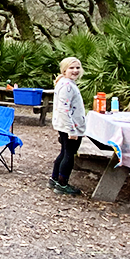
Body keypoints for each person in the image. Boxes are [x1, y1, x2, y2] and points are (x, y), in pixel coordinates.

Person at [50, 57, 86, 196]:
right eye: (71, 68)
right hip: (70, 126)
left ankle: (55, 178)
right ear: (64, 70)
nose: (75, 70)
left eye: (77, 67)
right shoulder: (66, 86)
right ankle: (62, 184)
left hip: (68, 124)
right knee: (69, 154)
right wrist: (72, 129)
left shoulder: (67, 83)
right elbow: (63, 109)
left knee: (65, 152)